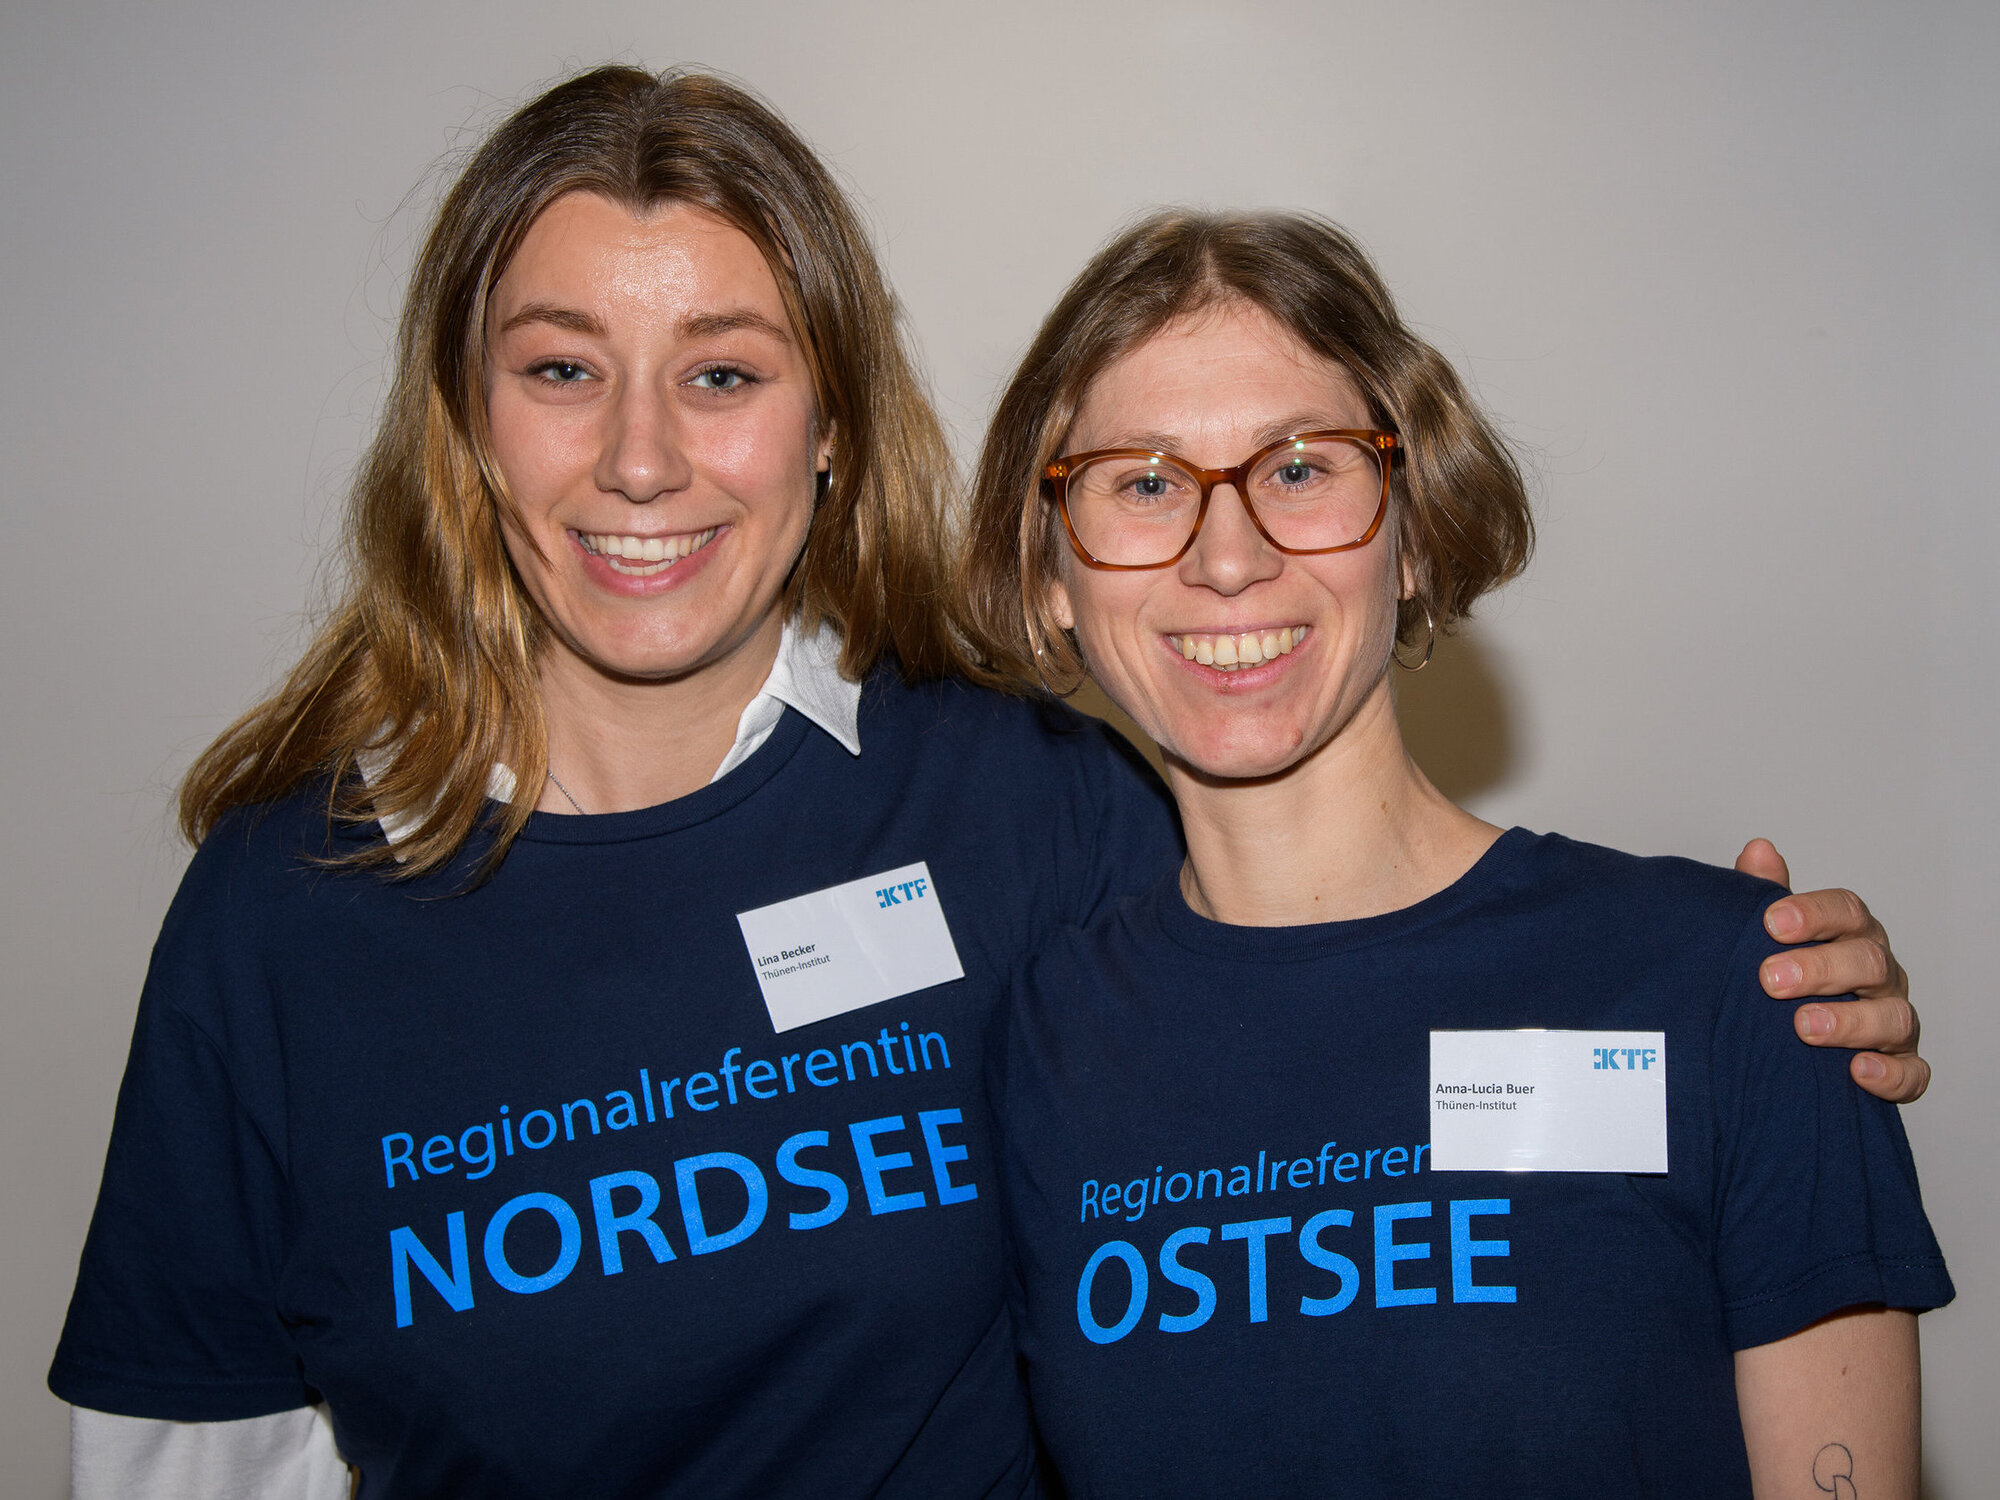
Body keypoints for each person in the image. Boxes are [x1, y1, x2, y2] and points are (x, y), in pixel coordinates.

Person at [50, 66, 1926, 1499]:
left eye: (722, 375)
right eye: (559, 369)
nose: (639, 459)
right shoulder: (280, 925)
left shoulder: (1021, 807)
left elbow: (1358, 985)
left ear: (831, 427)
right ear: (466, 421)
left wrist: (1748, 1003)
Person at [966, 210, 1953, 1497]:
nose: (1227, 556)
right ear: (1050, 571)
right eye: (1144, 483)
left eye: (1300, 468)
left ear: (1416, 529)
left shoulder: (1735, 988)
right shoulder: (1035, 1047)